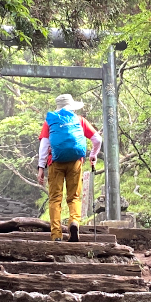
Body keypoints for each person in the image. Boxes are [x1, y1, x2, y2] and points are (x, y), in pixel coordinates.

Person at [37, 93, 102, 241]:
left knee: (55, 198)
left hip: (55, 162)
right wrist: (93, 155)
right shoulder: (79, 120)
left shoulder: (50, 121)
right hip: (75, 162)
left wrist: (41, 168)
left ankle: (56, 235)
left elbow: (44, 146)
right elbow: (97, 139)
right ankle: (74, 222)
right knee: (74, 197)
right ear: (71, 106)